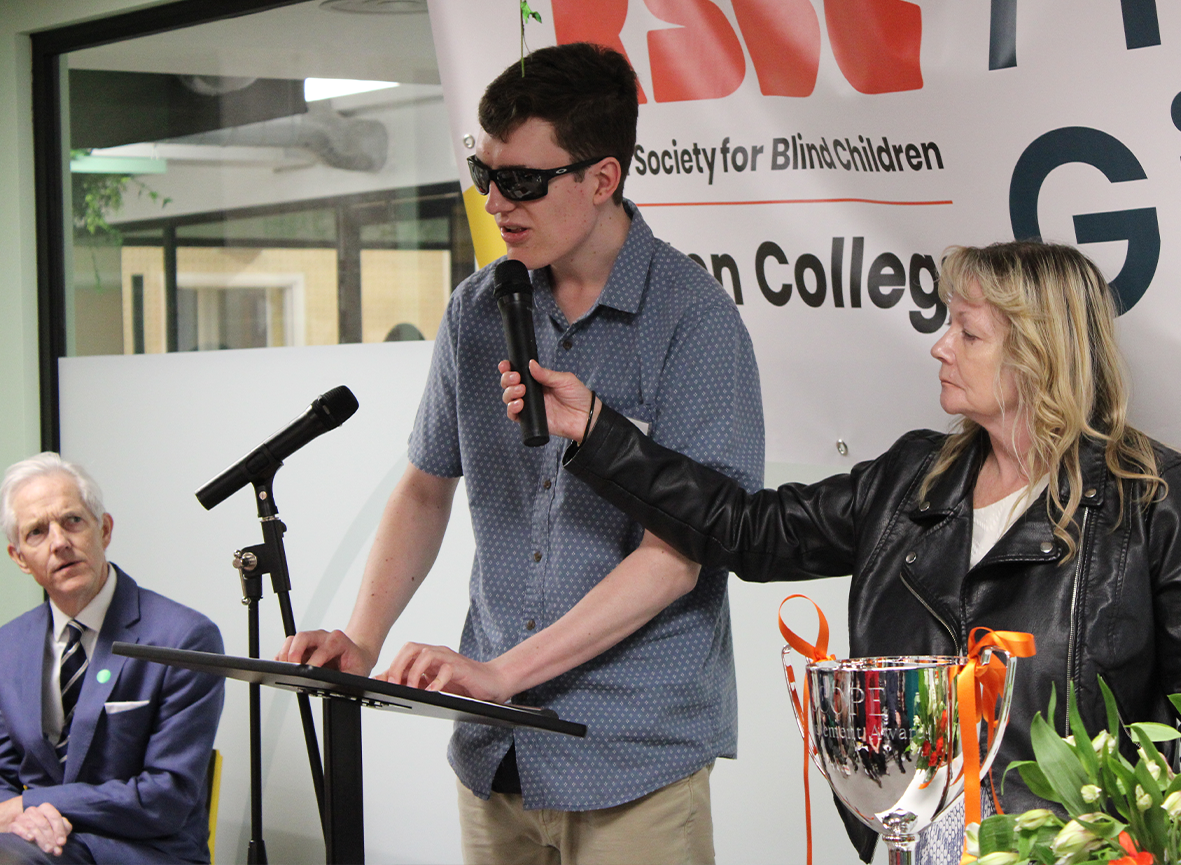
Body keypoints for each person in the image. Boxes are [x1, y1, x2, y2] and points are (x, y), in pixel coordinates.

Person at [503, 240, 1181, 863]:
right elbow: (747, 529)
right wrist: (595, 429)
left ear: (1039, 354)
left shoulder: (1151, 501)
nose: (940, 348)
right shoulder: (910, 477)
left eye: (968, 333)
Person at [278, 42, 764, 865]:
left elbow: (676, 557)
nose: (498, 201)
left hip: (629, 758)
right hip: (494, 755)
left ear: (602, 178)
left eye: (523, 182)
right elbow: (426, 486)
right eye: (486, 176)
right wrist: (361, 640)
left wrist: (503, 671)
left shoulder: (694, 322)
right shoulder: (476, 310)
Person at [0, 453, 225, 865]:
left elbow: (165, 797)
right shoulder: (6, 647)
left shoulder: (184, 639)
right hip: (35, 843)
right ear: (19, 558)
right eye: (37, 532)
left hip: (142, 852)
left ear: (103, 530)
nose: (59, 542)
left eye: (72, 521)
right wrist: (22, 817)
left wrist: (37, 806)